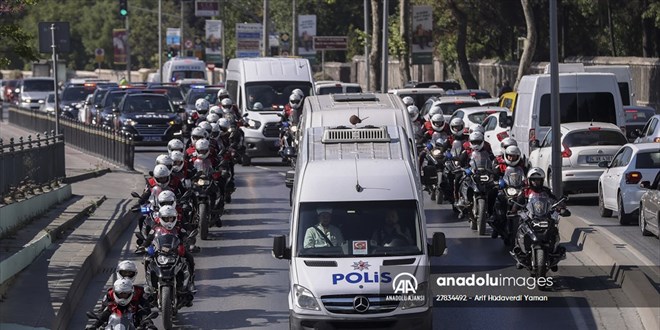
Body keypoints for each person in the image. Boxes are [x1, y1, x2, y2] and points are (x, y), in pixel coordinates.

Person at [89, 278, 154, 330]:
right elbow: (103, 315)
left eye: (125, 294)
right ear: (115, 293)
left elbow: (143, 314)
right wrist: (94, 325)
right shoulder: (111, 305)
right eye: (120, 294)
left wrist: (149, 324)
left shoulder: (136, 304)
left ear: (131, 293)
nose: (123, 296)